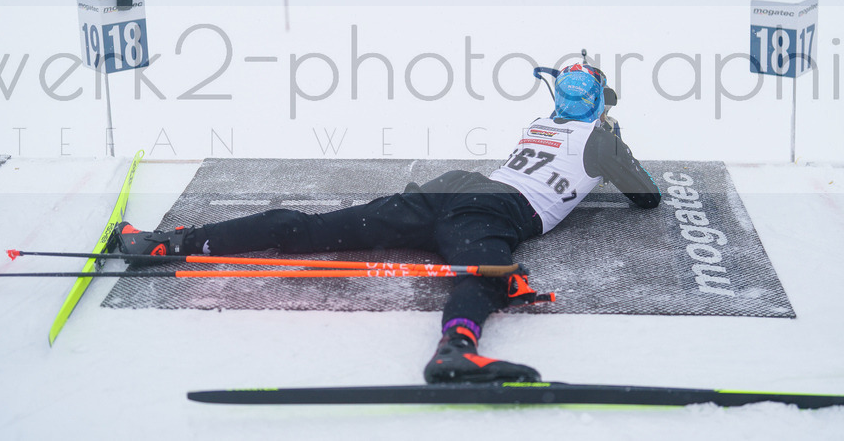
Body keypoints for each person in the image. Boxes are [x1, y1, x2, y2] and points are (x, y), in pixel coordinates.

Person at [113, 62, 661, 384]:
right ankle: (456, 351)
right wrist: (616, 141)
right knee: (487, 273)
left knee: (314, 229)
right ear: (600, 105)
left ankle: (167, 243)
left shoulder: (540, 121)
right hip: (494, 208)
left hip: (452, 188)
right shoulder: (602, 138)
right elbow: (646, 197)